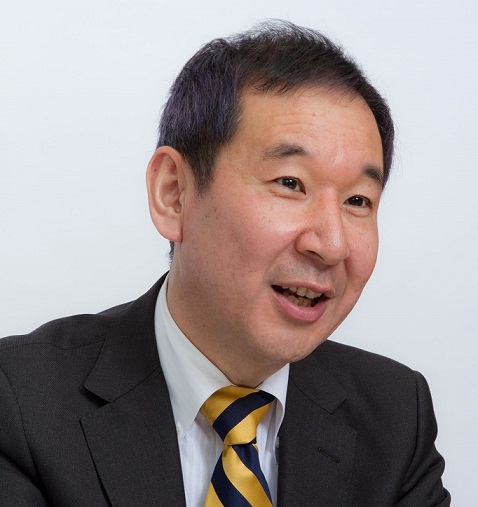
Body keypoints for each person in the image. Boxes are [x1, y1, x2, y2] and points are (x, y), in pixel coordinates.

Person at [0, 20, 450, 507]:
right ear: (174, 194)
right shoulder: (21, 402)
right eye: (290, 183)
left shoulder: (396, 418)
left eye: (358, 200)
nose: (332, 244)